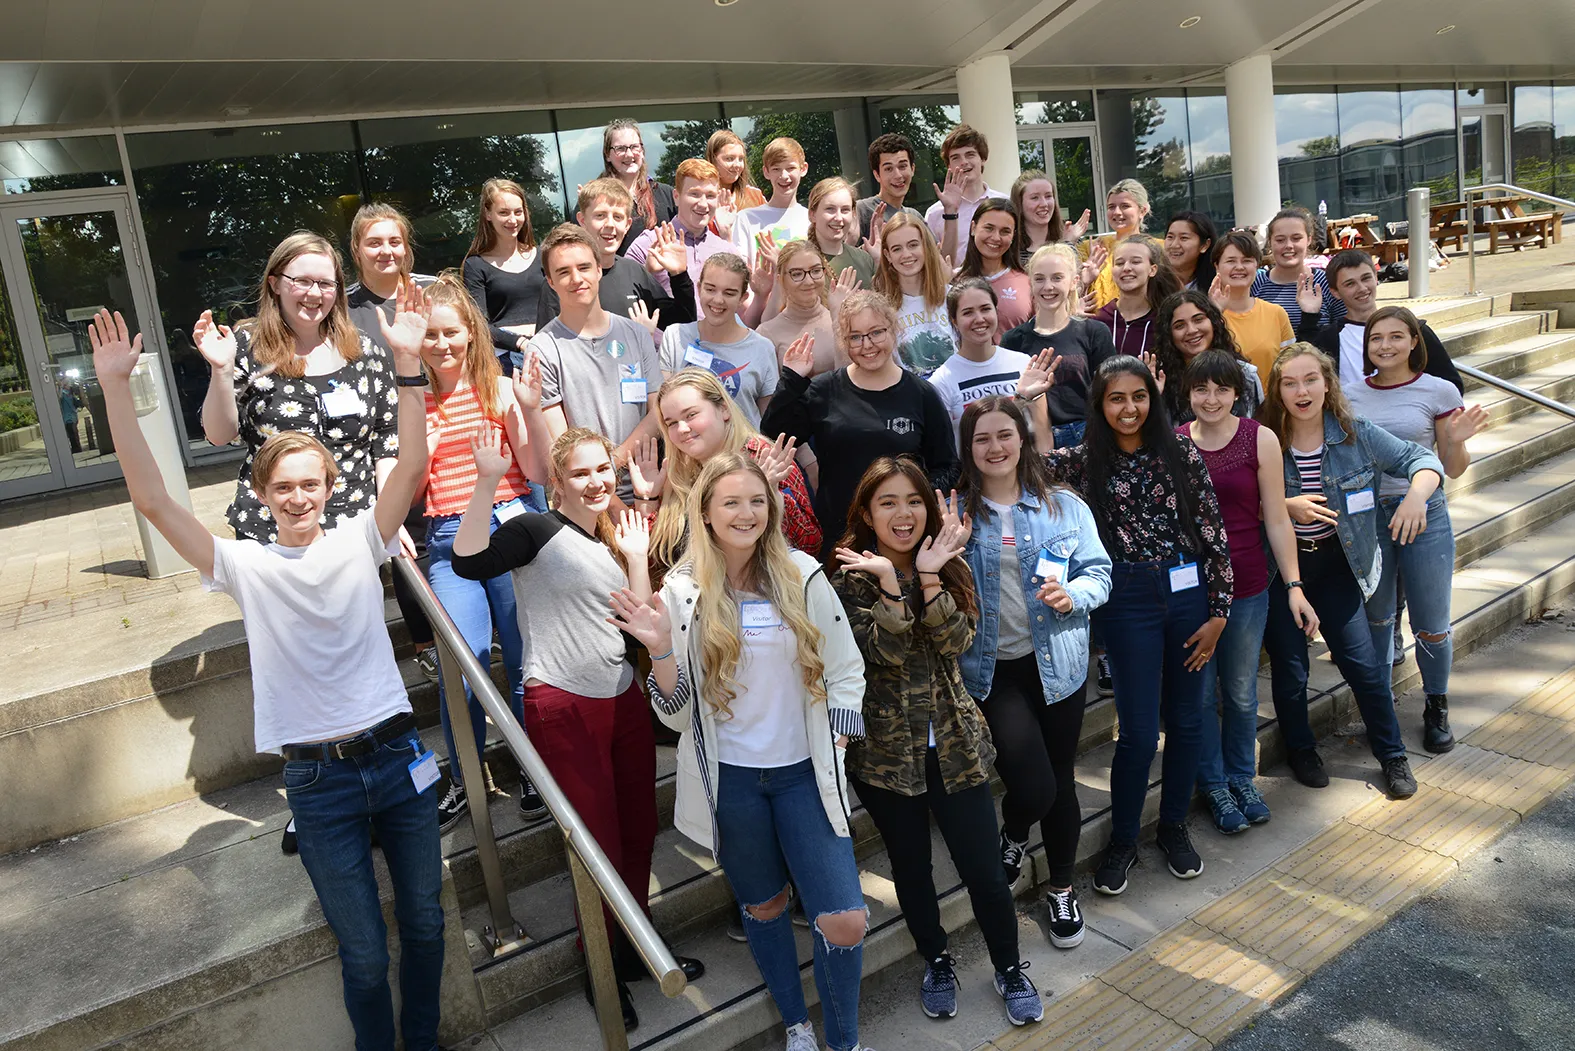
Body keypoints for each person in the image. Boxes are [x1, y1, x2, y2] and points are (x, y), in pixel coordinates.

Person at [89, 291, 448, 1051]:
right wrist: (116, 388)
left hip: (396, 756)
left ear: (329, 489)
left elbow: (412, 463)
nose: (296, 496)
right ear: (262, 494)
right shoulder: (244, 564)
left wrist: (408, 365)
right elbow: (154, 501)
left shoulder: (361, 537)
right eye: (281, 486)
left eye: (308, 484)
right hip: (318, 781)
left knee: (424, 923)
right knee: (362, 952)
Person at [451, 415, 705, 1031]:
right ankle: (601, 966)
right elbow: (467, 562)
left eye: (601, 470)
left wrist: (639, 556)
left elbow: (639, 616)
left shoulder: (612, 536)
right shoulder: (537, 529)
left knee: (639, 830)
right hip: (562, 703)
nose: (595, 482)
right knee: (598, 844)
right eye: (579, 472)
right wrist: (487, 482)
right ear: (556, 482)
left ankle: (637, 945)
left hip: (620, 696)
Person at [614, 453, 869, 1051]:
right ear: (705, 512)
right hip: (731, 782)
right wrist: (660, 653)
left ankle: (846, 1041)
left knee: (845, 919)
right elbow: (675, 714)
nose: (746, 513)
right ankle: (798, 1025)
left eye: (757, 500)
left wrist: (838, 726)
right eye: (730, 501)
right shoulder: (681, 592)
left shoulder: (802, 572)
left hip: (804, 773)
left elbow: (846, 667)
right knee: (765, 906)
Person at [832, 459, 1043, 1026]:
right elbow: (882, 654)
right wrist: (889, 585)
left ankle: (1009, 967)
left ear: (929, 506)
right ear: (867, 514)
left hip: (954, 748)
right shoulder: (846, 579)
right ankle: (938, 960)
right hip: (885, 757)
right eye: (887, 503)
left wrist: (926, 576)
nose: (903, 514)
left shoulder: (949, 566)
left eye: (913, 501)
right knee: (912, 870)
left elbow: (957, 642)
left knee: (984, 871)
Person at [1044, 356, 1233, 894]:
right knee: (1138, 732)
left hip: (1189, 593)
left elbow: (1212, 531)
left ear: (1153, 399)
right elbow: (1013, 468)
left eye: (1139, 396)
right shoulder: (1081, 462)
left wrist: (1219, 611)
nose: (1129, 408)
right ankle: (1124, 839)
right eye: (1116, 399)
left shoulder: (1181, 451)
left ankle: (1173, 827)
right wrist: (1029, 399)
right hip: (1125, 600)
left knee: (1190, 718)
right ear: (1100, 406)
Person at [955, 395, 1110, 949]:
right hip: (992, 671)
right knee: (1034, 780)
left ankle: (1061, 888)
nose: (995, 447)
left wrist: (1074, 594)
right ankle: (1016, 830)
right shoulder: (955, 513)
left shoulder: (1064, 506)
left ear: (1022, 440)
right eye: (982, 439)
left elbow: (1099, 571)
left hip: (1060, 666)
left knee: (1061, 779)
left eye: (1004, 435)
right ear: (968, 450)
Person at [1258, 344, 1445, 799]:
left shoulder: (1356, 434)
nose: (1301, 391)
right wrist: (1285, 505)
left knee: (1364, 666)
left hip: (1339, 567)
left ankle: (1393, 755)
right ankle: (1302, 749)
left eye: (1310, 380)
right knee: (1290, 669)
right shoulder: (1262, 441)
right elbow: (1234, 505)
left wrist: (1417, 496)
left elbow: (1422, 461)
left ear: (1328, 383)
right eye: (1290, 382)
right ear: (1277, 390)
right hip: (1280, 575)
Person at [415, 273, 540, 830]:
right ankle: (466, 777)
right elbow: (410, 497)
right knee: (460, 668)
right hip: (447, 536)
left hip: (509, 527)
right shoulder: (412, 402)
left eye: (451, 333)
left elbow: (534, 470)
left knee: (521, 659)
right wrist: (425, 452)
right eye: (430, 335)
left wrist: (527, 414)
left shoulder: (500, 386)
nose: (442, 345)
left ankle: (534, 770)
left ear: (471, 332)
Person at [1177, 350, 1317, 835]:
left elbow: (1276, 517)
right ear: (1189, 394)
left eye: (1221, 389)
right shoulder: (1175, 443)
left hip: (1249, 586)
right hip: (1192, 592)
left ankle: (1241, 776)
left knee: (1238, 692)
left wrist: (1294, 585)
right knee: (1198, 695)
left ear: (1238, 392)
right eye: (1201, 389)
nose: (1210, 399)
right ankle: (1213, 782)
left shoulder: (1260, 439)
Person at [1347, 307, 1487, 753]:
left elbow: (1452, 468)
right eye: (1376, 339)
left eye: (1395, 337)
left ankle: (1436, 704)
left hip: (1424, 512)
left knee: (1431, 622)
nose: (1385, 346)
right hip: (1370, 517)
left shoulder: (1439, 389)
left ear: (1413, 342)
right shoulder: (1348, 395)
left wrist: (1457, 438)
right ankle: (1380, 704)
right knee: (1378, 617)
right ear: (1366, 347)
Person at [762, 291, 959, 558]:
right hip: (841, 537)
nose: (867, 345)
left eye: (877, 332)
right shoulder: (824, 389)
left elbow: (947, 466)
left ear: (894, 330)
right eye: (855, 337)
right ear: (844, 342)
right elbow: (777, 433)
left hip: (903, 535)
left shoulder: (922, 394)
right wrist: (792, 380)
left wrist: (912, 499)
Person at [644, 368, 820, 573]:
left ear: (724, 409)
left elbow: (810, 545)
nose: (682, 428)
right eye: (672, 423)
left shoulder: (763, 457)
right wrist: (646, 499)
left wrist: (769, 495)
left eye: (691, 415)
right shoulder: (677, 472)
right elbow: (656, 555)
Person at [528, 224, 664, 487]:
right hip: (585, 491)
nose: (576, 279)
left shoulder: (636, 334)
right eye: (563, 272)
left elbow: (658, 412)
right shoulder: (543, 349)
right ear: (550, 282)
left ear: (599, 269)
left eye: (584, 267)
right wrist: (603, 483)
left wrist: (615, 461)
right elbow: (560, 442)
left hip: (645, 482)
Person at [535, 178, 696, 334]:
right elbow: (545, 348)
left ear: (627, 225)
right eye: (600, 215)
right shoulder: (564, 279)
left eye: (618, 217)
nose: (610, 224)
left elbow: (684, 323)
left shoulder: (635, 273)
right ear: (582, 220)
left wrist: (679, 275)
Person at [1001, 244, 1117, 449]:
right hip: (1034, 438)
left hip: (1088, 437)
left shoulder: (1094, 332)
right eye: (1039, 279)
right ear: (1030, 283)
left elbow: (1109, 391)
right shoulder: (1013, 340)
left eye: (1057, 278)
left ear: (1074, 282)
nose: (1048, 287)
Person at [926, 277, 1054, 449]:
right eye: (968, 312)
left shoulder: (1023, 364)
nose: (979, 319)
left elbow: (1042, 435)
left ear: (996, 310)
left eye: (985, 309)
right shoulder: (940, 382)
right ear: (954, 320)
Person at [658, 253, 779, 429]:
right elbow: (663, 407)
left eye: (729, 293)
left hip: (742, 454)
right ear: (699, 289)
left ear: (742, 298)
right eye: (710, 289)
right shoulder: (674, 336)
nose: (718, 300)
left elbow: (769, 419)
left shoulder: (762, 348)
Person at [1315, 250, 1464, 391]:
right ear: (1335, 292)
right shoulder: (1329, 338)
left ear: (1376, 278)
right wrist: (1310, 315)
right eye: (1350, 284)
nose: (1361, 288)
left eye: (1366, 278)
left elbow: (1451, 385)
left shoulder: (1413, 328)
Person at [626, 158, 735, 318]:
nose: (703, 204)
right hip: (662, 342)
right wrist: (648, 272)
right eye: (694, 194)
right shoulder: (647, 244)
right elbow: (626, 299)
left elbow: (744, 314)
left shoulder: (726, 250)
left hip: (715, 342)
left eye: (710, 196)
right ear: (676, 196)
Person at [462, 178, 545, 371]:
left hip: (547, 349)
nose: (513, 220)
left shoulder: (542, 255)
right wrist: (521, 342)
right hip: (505, 360)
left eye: (518, 212)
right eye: (503, 213)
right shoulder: (475, 265)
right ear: (488, 214)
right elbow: (480, 325)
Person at [1151, 289, 1264, 424]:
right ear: (1169, 335)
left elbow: (1260, 428)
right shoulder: (1160, 380)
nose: (1192, 330)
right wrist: (1153, 397)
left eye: (1198, 320)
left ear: (1213, 322)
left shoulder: (1246, 374)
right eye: (1180, 325)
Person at [875, 213, 956, 375]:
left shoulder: (952, 297)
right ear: (888, 256)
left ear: (925, 246)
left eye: (913, 245)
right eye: (897, 249)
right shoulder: (880, 309)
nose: (906, 254)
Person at [1210, 230, 1294, 386]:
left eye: (1247, 260)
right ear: (1217, 266)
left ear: (1257, 265)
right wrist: (1215, 314)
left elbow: (1290, 369)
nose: (1239, 267)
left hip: (1271, 407)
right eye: (1231, 261)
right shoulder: (1205, 316)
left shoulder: (1276, 313)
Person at [1250, 207, 1341, 338]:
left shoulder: (1326, 283)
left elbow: (1343, 332)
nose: (1289, 245)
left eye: (1296, 238)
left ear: (1309, 240)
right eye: (1280, 240)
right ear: (1270, 242)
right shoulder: (1255, 285)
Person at [757, 238, 842, 377]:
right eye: (797, 274)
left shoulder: (841, 321)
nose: (808, 281)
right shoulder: (766, 333)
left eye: (815, 271)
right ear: (780, 280)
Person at [1093, 235, 1182, 358]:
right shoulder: (1098, 319)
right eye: (1119, 263)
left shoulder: (1165, 321)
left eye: (1136, 262)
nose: (1126, 268)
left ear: (1153, 270)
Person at [954, 199, 1032, 338]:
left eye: (1005, 231)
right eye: (989, 228)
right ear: (973, 228)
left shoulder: (1028, 282)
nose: (996, 238)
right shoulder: (954, 282)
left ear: (1013, 235)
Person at [731, 137, 811, 269]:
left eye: (790, 168)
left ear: (803, 169)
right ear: (766, 172)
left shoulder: (812, 220)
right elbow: (739, 270)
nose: (784, 176)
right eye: (776, 169)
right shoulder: (746, 219)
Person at [925, 124, 1001, 263]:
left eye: (970, 155)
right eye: (955, 158)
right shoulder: (935, 213)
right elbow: (935, 265)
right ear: (949, 166)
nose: (964, 162)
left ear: (983, 158)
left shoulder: (1004, 203)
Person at [601, 118, 677, 254]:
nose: (629, 154)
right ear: (608, 155)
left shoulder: (667, 195)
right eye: (620, 148)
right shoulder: (597, 199)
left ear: (642, 151)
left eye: (635, 147)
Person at [1077, 179, 1152, 310]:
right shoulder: (1090, 247)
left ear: (1142, 210)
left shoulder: (1155, 248)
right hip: (1096, 324)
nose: (1117, 212)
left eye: (1125, 206)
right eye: (1111, 207)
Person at [806, 176, 877, 288]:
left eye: (845, 210)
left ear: (853, 214)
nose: (839, 218)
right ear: (812, 214)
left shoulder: (865, 259)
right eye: (830, 209)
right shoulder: (800, 259)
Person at [1011, 170, 1090, 266]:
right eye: (1035, 198)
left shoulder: (1074, 242)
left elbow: (1072, 279)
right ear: (1019, 204)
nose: (1044, 204)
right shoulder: (1010, 250)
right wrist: (1067, 245)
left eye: (1048, 196)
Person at [857, 132, 924, 243]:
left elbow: (938, 256)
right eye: (888, 169)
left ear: (912, 169)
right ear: (877, 175)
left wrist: (950, 212)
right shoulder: (862, 210)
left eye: (902, 166)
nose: (898, 175)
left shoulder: (914, 216)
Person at [707, 128, 766, 241]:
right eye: (729, 159)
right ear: (713, 160)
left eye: (741, 159)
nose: (737, 165)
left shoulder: (755, 195)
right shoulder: (702, 199)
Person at [1163, 211, 1217, 292]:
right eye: (1170, 237)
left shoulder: (1217, 284)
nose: (1174, 245)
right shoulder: (1153, 281)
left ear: (1205, 245)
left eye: (1184, 238)